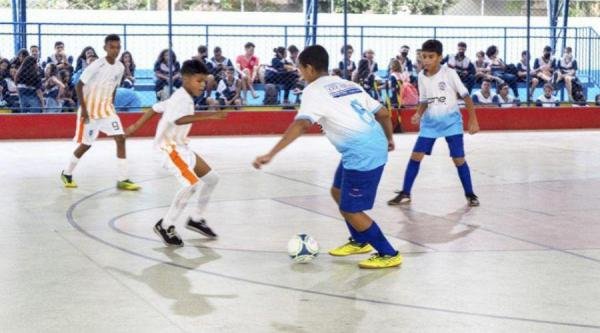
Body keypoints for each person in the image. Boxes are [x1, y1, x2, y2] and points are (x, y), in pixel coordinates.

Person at [253, 45, 402, 269]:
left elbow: (302, 124)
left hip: (362, 152)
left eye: (300, 69)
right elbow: (382, 112)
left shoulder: (314, 91)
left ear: (309, 68)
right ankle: (361, 240)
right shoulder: (347, 83)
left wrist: (270, 153)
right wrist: (389, 138)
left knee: (350, 209)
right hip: (367, 146)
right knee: (337, 191)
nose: (300, 74)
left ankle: (388, 253)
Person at [125, 59, 227, 246]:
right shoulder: (180, 99)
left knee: (213, 179)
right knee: (191, 184)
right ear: (186, 79)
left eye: (205, 81)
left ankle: (196, 219)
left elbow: (155, 109)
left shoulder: (180, 97)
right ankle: (166, 225)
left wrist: (135, 126)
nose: (203, 85)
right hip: (168, 148)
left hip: (182, 148)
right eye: (199, 81)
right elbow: (179, 120)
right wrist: (211, 115)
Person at [388, 39, 480, 207]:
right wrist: (418, 113)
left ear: (440, 57)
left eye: (431, 56)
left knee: (458, 159)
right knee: (416, 156)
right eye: (424, 56)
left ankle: (470, 194)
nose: (427, 60)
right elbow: (424, 100)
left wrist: (473, 120)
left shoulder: (449, 73)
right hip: (430, 123)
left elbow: (466, 96)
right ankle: (406, 192)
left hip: (451, 122)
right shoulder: (422, 76)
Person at [60, 34, 140, 191]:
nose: (115, 50)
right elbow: (79, 86)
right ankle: (67, 173)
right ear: (105, 48)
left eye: (118, 47)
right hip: (89, 112)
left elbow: (114, 87)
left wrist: (111, 105)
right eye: (112, 47)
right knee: (86, 144)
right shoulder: (96, 65)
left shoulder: (120, 67)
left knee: (121, 138)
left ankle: (123, 179)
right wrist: (83, 110)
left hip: (107, 110)